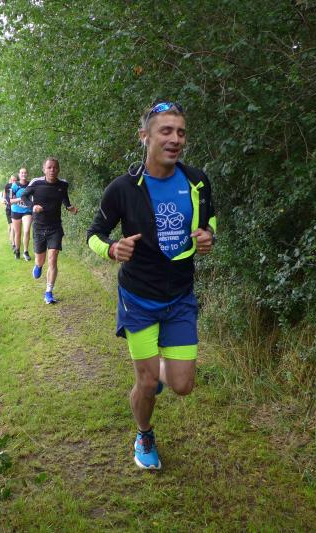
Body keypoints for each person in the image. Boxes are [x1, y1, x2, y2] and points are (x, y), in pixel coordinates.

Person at [86, 102, 216, 470]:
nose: (175, 139)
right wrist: (112, 249)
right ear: (145, 136)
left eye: (181, 132)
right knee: (145, 384)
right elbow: (93, 234)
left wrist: (208, 235)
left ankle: (157, 369)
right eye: (166, 131)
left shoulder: (197, 180)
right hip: (139, 298)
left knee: (182, 385)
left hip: (180, 296)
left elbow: (209, 220)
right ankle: (144, 434)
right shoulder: (123, 188)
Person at [20, 158, 78, 304]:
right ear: (44, 169)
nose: (52, 170)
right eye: (49, 167)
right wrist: (32, 206)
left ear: (58, 169)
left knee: (53, 259)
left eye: (55, 167)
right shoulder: (36, 183)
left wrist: (69, 207)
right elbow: (24, 196)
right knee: (40, 260)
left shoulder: (63, 184)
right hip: (39, 227)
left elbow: (64, 198)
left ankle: (48, 292)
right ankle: (38, 265)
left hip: (55, 227)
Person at [9, 167, 32, 260]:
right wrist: (20, 199)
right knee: (18, 233)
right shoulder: (14, 185)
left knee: (26, 230)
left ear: (27, 174)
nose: (23, 174)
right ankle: (17, 250)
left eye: (25, 173)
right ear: (19, 175)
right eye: (22, 173)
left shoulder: (31, 184)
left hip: (27, 211)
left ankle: (25, 252)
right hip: (16, 211)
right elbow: (10, 201)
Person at [2, 174, 19, 251]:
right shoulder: (7, 186)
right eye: (12, 180)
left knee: (13, 227)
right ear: (10, 180)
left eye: (15, 180)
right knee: (11, 226)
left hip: (15, 209)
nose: (14, 181)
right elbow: (4, 196)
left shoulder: (18, 186)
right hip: (9, 209)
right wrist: (4, 200)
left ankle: (13, 243)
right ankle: (13, 243)